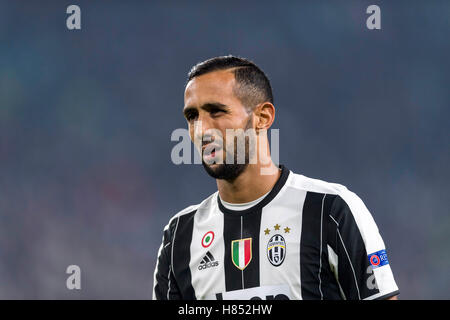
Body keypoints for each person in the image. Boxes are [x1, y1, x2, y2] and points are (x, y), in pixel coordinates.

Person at [152, 55, 399, 300]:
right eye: (192, 116)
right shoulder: (179, 236)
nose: (201, 130)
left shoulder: (331, 211)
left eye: (216, 111)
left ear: (263, 117)